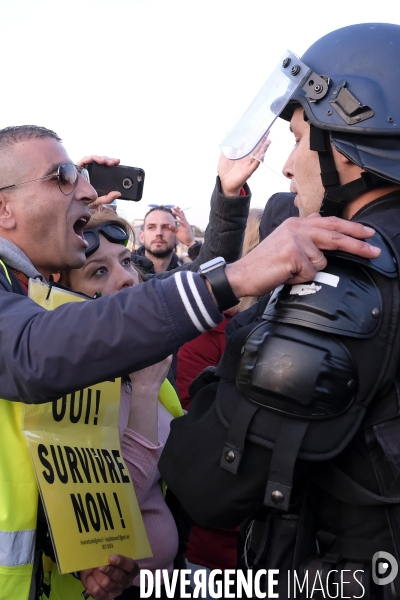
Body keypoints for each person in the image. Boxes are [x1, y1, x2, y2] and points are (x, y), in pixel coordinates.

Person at [0, 117, 378, 600]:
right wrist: (234, 278)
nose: (88, 190)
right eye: (62, 176)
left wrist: (73, 554)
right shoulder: (40, 318)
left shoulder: (31, 292)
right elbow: (32, 351)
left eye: (80, 175)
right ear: (4, 206)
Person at [158, 22, 400, 598]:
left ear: (345, 142)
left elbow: (204, 484)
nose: (288, 166)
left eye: (297, 138)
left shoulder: (345, 276)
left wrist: (257, 317)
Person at [133, 205, 200, 273]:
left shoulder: (187, 273)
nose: (159, 233)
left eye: (166, 228)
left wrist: (191, 244)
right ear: (142, 236)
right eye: (151, 227)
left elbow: (208, 274)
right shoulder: (125, 266)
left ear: (177, 237)